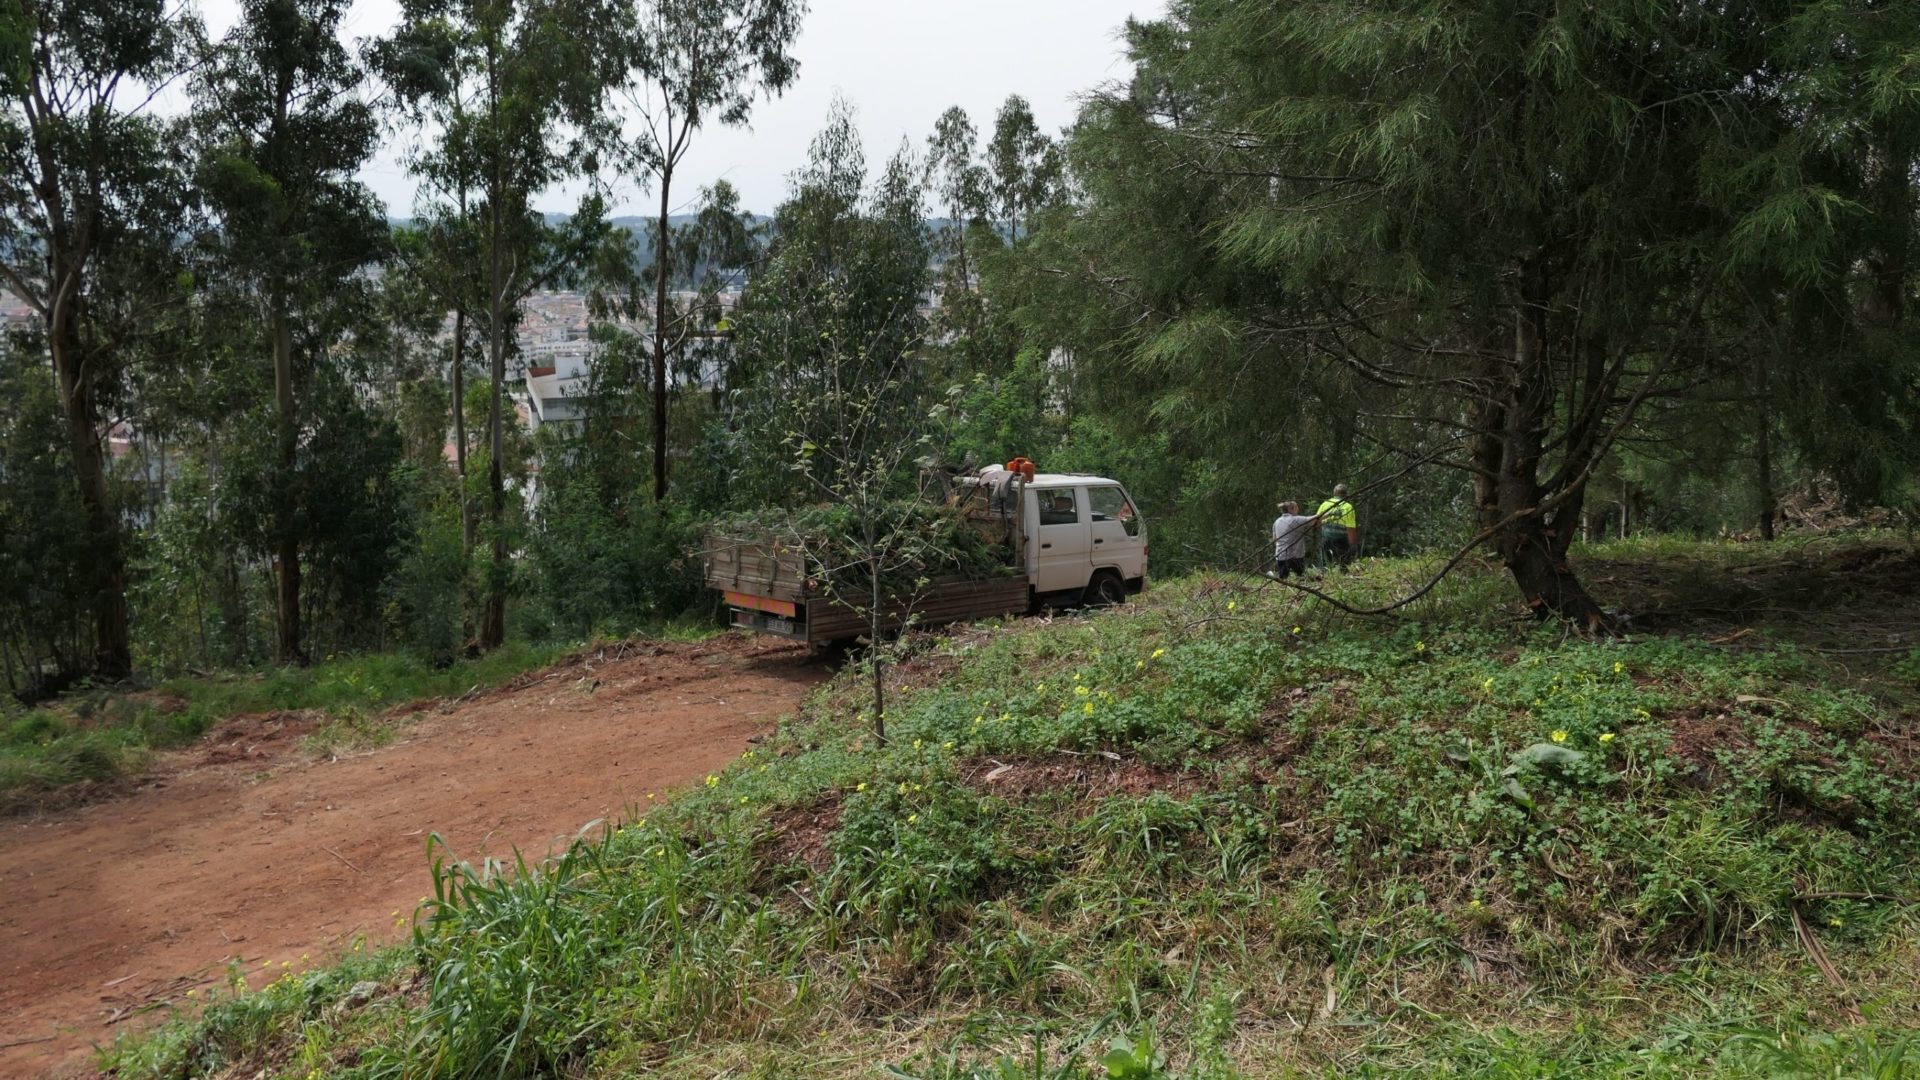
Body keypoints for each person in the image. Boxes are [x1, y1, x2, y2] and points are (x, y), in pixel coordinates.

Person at [1317, 483, 1359, 568]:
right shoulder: (1348, 507)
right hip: (1341, 540)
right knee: (1344, 565)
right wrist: (1353, 544)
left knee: (1326, 566)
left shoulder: (1325, 504)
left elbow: (1317, 521)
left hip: (1326, 538)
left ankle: (1325, 578)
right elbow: (1350, 528)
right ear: (1346, 494)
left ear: (1334, 493)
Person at [1271, 501, 1314, 578]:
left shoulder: (1277, 521)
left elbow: (1275, 539)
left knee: (1283, 579)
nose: (1298, 509)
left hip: (1281, 554)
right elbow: (1315, 519)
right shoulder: (1295, 520)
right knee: (1301, 577)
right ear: (1291, 509)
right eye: (1297, 507)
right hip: (1295, 555)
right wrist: (1329, 513)